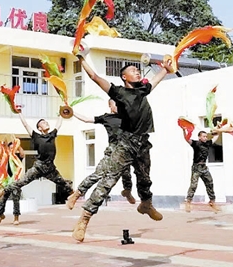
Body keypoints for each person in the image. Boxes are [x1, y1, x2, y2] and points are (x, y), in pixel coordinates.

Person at [71, 56, 174, 242]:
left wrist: (166, 69)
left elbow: (155, 80)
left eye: (138, 70)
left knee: (145, 179)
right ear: (124, 77)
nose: (137, 72)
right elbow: (94, 77)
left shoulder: (142, 89)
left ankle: (146, 205)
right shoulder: (118, 92)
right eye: (133, 70)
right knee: (108, 181)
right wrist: (82, 58)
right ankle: (84, 219)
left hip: (143, 143)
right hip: (126, 143)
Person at [0, 112, 72, 211]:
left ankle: (73, 199)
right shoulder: (36, 136)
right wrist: (20, 113)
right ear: (39, 128)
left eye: (46, 122)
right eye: (43, 123)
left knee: (65, 184)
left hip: (50, 168)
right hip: (38, 167)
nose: (46, 123)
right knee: (20, 183)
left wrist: (62, 113)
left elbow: (58, 124)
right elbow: (25, 124)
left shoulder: (52, 135)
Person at [66, 99, 136, 210]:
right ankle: (76, 195)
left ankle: (127, 192)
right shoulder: (106, 117)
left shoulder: (126, 117)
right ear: (110, 106)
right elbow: (87, 119)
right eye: (116, 104)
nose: (118, 106)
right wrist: (72, 111)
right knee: (98, 174)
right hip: (113, 150)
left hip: (125, 150)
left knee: (127, 174)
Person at [184, 129, 228, 213]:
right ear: (199, 137)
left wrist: (219, 130)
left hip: (204, 167)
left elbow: (215, 138)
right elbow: (186, 139)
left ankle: (212, 201)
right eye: (204, 136)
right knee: (193, 185)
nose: (205, 138)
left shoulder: (207, 143)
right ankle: (188, 202)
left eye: (206, 136)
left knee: (210, 183)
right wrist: (184, 130)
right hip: (196, 167)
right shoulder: (195, 143)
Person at [0, 138, 25, 225]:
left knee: (16, 199)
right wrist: (3, 145)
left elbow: (22, 154)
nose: (12, 149)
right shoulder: (5, 156)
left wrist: (18, 145)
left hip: (15, 181)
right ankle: (0, 214)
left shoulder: (17, 157)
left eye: (13, 147)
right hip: (7, 181)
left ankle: (16, 218)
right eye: (10, 148)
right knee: (3, 198)